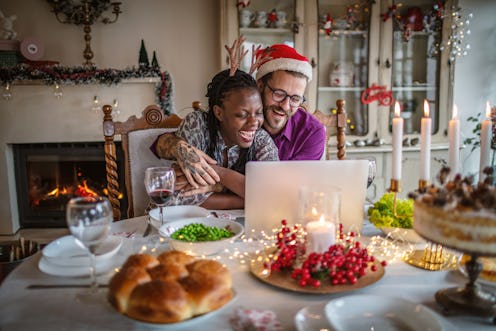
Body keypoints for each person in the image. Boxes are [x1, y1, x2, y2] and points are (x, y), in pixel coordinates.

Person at [151, 42, 325, 189]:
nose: (285, 106)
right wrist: (179, 148)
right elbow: (164, 142)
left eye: (295, 98)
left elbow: (286, 190)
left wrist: (216, 183)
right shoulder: (234, 116)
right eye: (279, 94)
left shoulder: (311, 132)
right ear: (260, 85)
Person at [164, 67, 279, 210]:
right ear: (219, 112)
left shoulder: (260, 139)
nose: (254, 122)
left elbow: (275, 195)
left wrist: (218, 173)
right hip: (185, 223)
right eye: (242, 115)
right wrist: (248, 196)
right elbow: (178, 197)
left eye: (259, 112)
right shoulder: (197, 124)